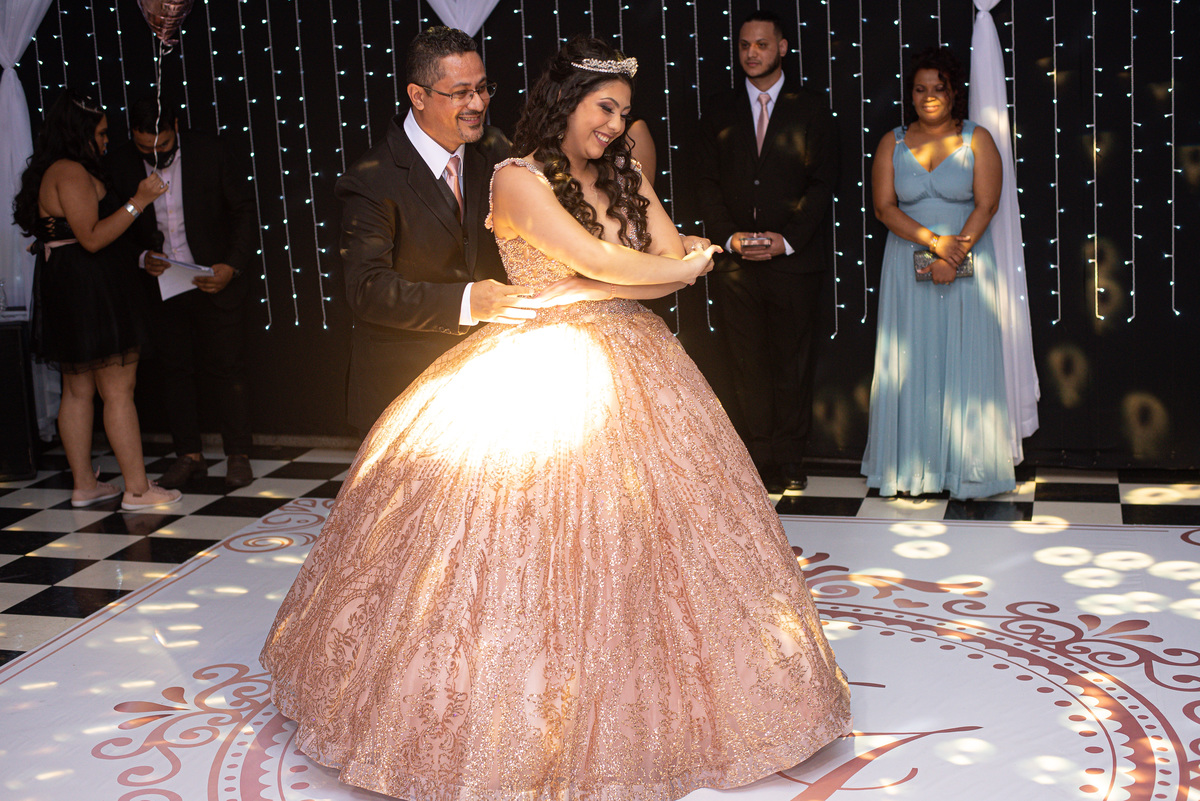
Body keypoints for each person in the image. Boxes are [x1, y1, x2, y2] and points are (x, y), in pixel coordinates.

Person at [261, 35, 851, 801]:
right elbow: (615, 263)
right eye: (605, 108)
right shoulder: (516, 176)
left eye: (625, 112)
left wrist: (659, 267)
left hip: (639, 363)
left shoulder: (622, 169)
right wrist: (672, 266)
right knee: (516, 548)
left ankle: (669, 712)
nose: (616, 125)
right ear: (566, 103)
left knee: (660, 545)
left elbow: (656, 267)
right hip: (542, 365)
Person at [337, 25, 538, 434]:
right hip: (404, 389)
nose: (478, 103)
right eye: (461, 93)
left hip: (493, 378)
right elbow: (367, 290)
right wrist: (467, 302)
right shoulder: (370, 179)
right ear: (418, 96)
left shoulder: (495, 148)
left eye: (483, 88)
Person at [13, 89, 181, 510]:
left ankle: (85, 485)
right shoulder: (70, 171)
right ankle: (138, 490)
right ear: (80, 131)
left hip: (73, 286)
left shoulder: (57, 169)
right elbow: (90, 238)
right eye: (101, 133)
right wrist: (139, 202)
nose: (106, 141)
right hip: (89, 288)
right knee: (118, 389)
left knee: (78, 390)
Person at [861, 46, 1016, 498]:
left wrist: (953, 256)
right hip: (906, 264)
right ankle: (909, 468)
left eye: (938, 88)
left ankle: (963, 470)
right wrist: (936, 244)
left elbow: (987, 204)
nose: (929, 96)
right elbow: (884, 208)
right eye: (920, 89)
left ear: (954, 93)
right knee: (909, 365)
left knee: (962, 362)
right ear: (910, 94)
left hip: (967, 261)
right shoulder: (891, 142)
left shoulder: (977, 139)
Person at [695, 9, 838, 494]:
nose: (751, 53)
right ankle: (757, 461)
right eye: (743, 45)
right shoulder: (719, 109)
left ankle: (790, 459)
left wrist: (788, 239)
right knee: (745, 363)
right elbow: (706, 183)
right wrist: (729, 237)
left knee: (792, 364)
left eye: (760, 44)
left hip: (795, 263)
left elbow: (823, 184)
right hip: (735, 265)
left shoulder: (812, 108)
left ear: (781, 48)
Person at [106, 98, 259, 490]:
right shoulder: (119, 164)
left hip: (214, 276)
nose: (156, 154)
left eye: (163, 144)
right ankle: (189, 455)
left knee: (229, 367)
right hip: (162, 284)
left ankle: (238, 454)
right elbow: (110, 229)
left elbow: (244, 211)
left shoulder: (210, 150)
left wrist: (231, 266)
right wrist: (143, 257)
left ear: (175, 126)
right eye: (145, 148)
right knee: (174, 370)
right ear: (132, 137)